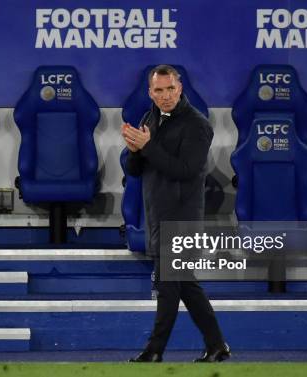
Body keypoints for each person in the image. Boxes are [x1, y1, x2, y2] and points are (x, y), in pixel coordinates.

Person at [122, 65, 230, 363]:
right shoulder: (150, 119)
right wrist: (134, 150)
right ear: (150, 93)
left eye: (170, 89)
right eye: (159, 90)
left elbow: (186, 170)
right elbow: (135, 171)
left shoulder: (198, 125)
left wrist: (148, 146)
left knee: (168, 287)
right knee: (186, 287)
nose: (165, 96)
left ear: (180, 89)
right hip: (157, 215)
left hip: (182, 219)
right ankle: (217, 346)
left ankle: (154, 350)